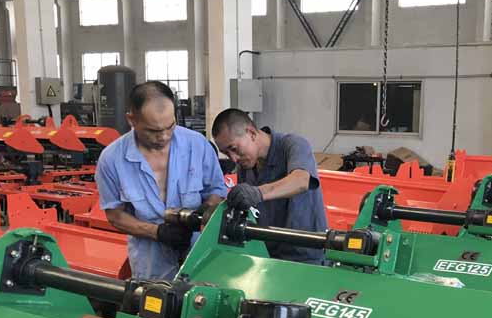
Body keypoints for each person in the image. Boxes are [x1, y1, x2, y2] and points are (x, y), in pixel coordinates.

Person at [95, 81, 227, 280]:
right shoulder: (112, 159)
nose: (164, 136)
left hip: (200, 259)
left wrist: (204, 212)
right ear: (132, 119)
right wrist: (157, 232)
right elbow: (115, 215)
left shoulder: (197, 145)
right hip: (151, 267)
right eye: (153, 131)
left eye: (170, 126)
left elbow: (216, 190)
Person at [211, 108, 328, 264]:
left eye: (233, 149)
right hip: (266, 255)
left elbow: (301, 180)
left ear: (251, 133)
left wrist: (258, 193)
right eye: (226, 153)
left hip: (305, 256)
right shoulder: (246, 165)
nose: (233, 158)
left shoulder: (293, 145)